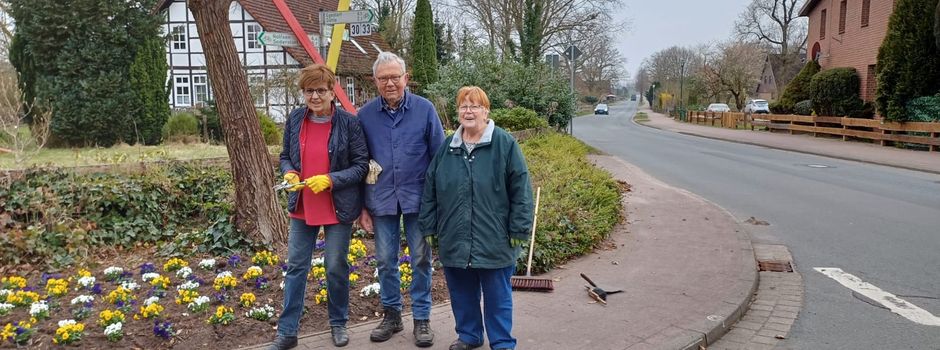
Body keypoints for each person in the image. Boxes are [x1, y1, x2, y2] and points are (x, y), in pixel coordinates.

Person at [418, 86, 534, 350]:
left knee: (497, 296)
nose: (468, 111)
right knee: (461, 292)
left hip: (494, 236)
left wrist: (519, 228)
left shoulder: (504, 144)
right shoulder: (448, 147)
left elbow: (521, 189)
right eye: (463, 106)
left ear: (486, 111)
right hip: (454, 235)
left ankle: (502, 342)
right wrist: (429, 225)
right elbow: (430, 189)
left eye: (475, 106)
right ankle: (469, 336)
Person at [271, 64, 369, 349]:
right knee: (296, 267)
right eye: (309, 91)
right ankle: (287, 332)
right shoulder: (295, 118)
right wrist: (289, 173)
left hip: (337, 205)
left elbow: (361, 166)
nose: (314, 96)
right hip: (303, 205)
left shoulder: (349, 123)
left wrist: (330, 179)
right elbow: (285, 156)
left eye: (321, 91)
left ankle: (338, 323)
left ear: (332, 92)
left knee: (335, 266)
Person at [357, 51, 444, 348]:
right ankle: (392, 315)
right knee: (385, 260)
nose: (390, 83)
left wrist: (438, 201)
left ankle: (422, 318)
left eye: (395, 77)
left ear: (406, 78)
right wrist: (362, 207)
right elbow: (359, 163)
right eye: (383, 78)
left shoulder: (425, 110)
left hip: (419, 198)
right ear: (375, 81)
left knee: (421, 259)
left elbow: (439, 158)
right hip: (380, 199)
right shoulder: (365, 116)